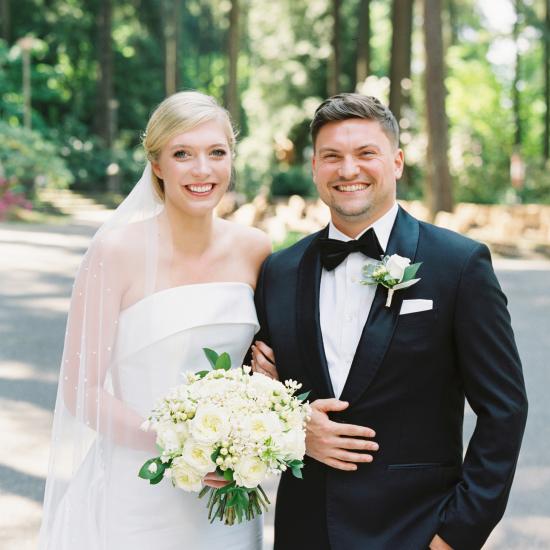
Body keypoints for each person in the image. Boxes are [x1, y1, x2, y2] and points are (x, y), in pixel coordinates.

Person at [252, 93, 528, 550]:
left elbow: (505, 410)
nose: (348, 170)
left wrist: (455, 535)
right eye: (332, 157)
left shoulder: (459, 265)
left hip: (416, 530)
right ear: (315, 167)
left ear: (396, 162)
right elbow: (259, 387)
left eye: (366, 154)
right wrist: (291, 425)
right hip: (305, 530)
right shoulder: (279, 272)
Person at [38, 91, 271, 550]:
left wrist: (265, 384)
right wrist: (181, 445)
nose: (202, 170)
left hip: (226, 498)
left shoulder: (256, 250)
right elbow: (81, 393)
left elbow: (262, 365)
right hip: (136, 495)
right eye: (182, 154)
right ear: (157, 165)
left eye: (216, 153)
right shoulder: (116, 252)